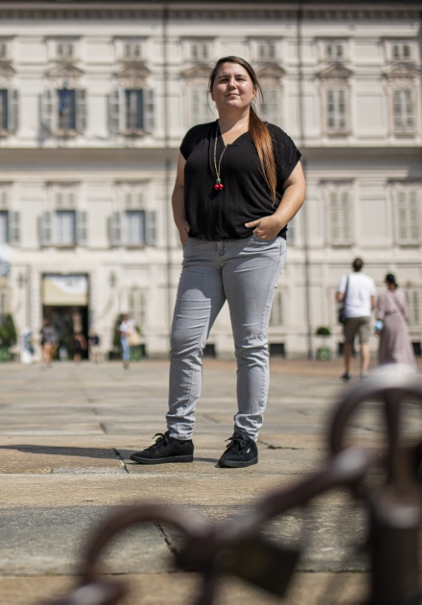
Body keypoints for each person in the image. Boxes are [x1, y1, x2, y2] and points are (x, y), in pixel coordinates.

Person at [130, 56, 305, 469]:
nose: (232, 85)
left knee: (250, 344)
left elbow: (296, 185)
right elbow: (179, 187)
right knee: (184, 341)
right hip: (202, 253)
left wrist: (279, 219)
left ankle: (245, 436)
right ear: (211, 91)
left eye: (240, 79)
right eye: (223, 79)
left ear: (254, 89)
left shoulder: (272, 139)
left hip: (254, 249)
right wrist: (181, 224)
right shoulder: (195, 138)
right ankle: (179, 436)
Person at [337, 257, 377, 382]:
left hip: (350, 314)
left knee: (348, 344)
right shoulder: (369, 280)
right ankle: (364, 372)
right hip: (365, 314)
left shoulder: (346, 278)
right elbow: (373, 302)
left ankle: (348, 371)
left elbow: (339, 297)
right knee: (364, 343)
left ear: (352, 266)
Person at [375, 273, 416, 367]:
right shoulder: (401, 294)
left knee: (388, 346)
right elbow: (405, 312)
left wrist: (377, 328)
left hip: (388, 322)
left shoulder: (383, 296)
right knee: (400, 345)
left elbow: (379, 315)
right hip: (400, 322)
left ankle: (389, 365)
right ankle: (401, 364)